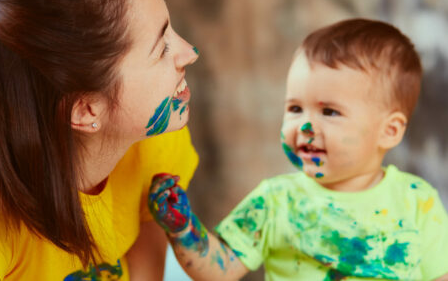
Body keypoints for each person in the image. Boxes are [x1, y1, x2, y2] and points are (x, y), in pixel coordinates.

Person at [0, 0, 200, 280]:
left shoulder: (153, 141)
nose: (190, 53)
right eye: (162, 50)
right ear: (85, 110)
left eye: (170, 30)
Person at [149, 18, 448, 280]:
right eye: (295, 108)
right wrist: (183, 230)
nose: (304, 128)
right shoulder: (276, 201)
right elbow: (220, 269)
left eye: (329, 112)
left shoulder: (417, 202)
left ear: (389, 131)